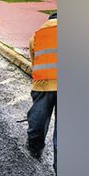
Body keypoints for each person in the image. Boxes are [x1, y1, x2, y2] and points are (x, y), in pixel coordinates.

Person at [26, 12, 57, 167]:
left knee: (38, 118)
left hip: (43, 84)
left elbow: (34, 60)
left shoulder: (37, 35)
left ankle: (35, 149)